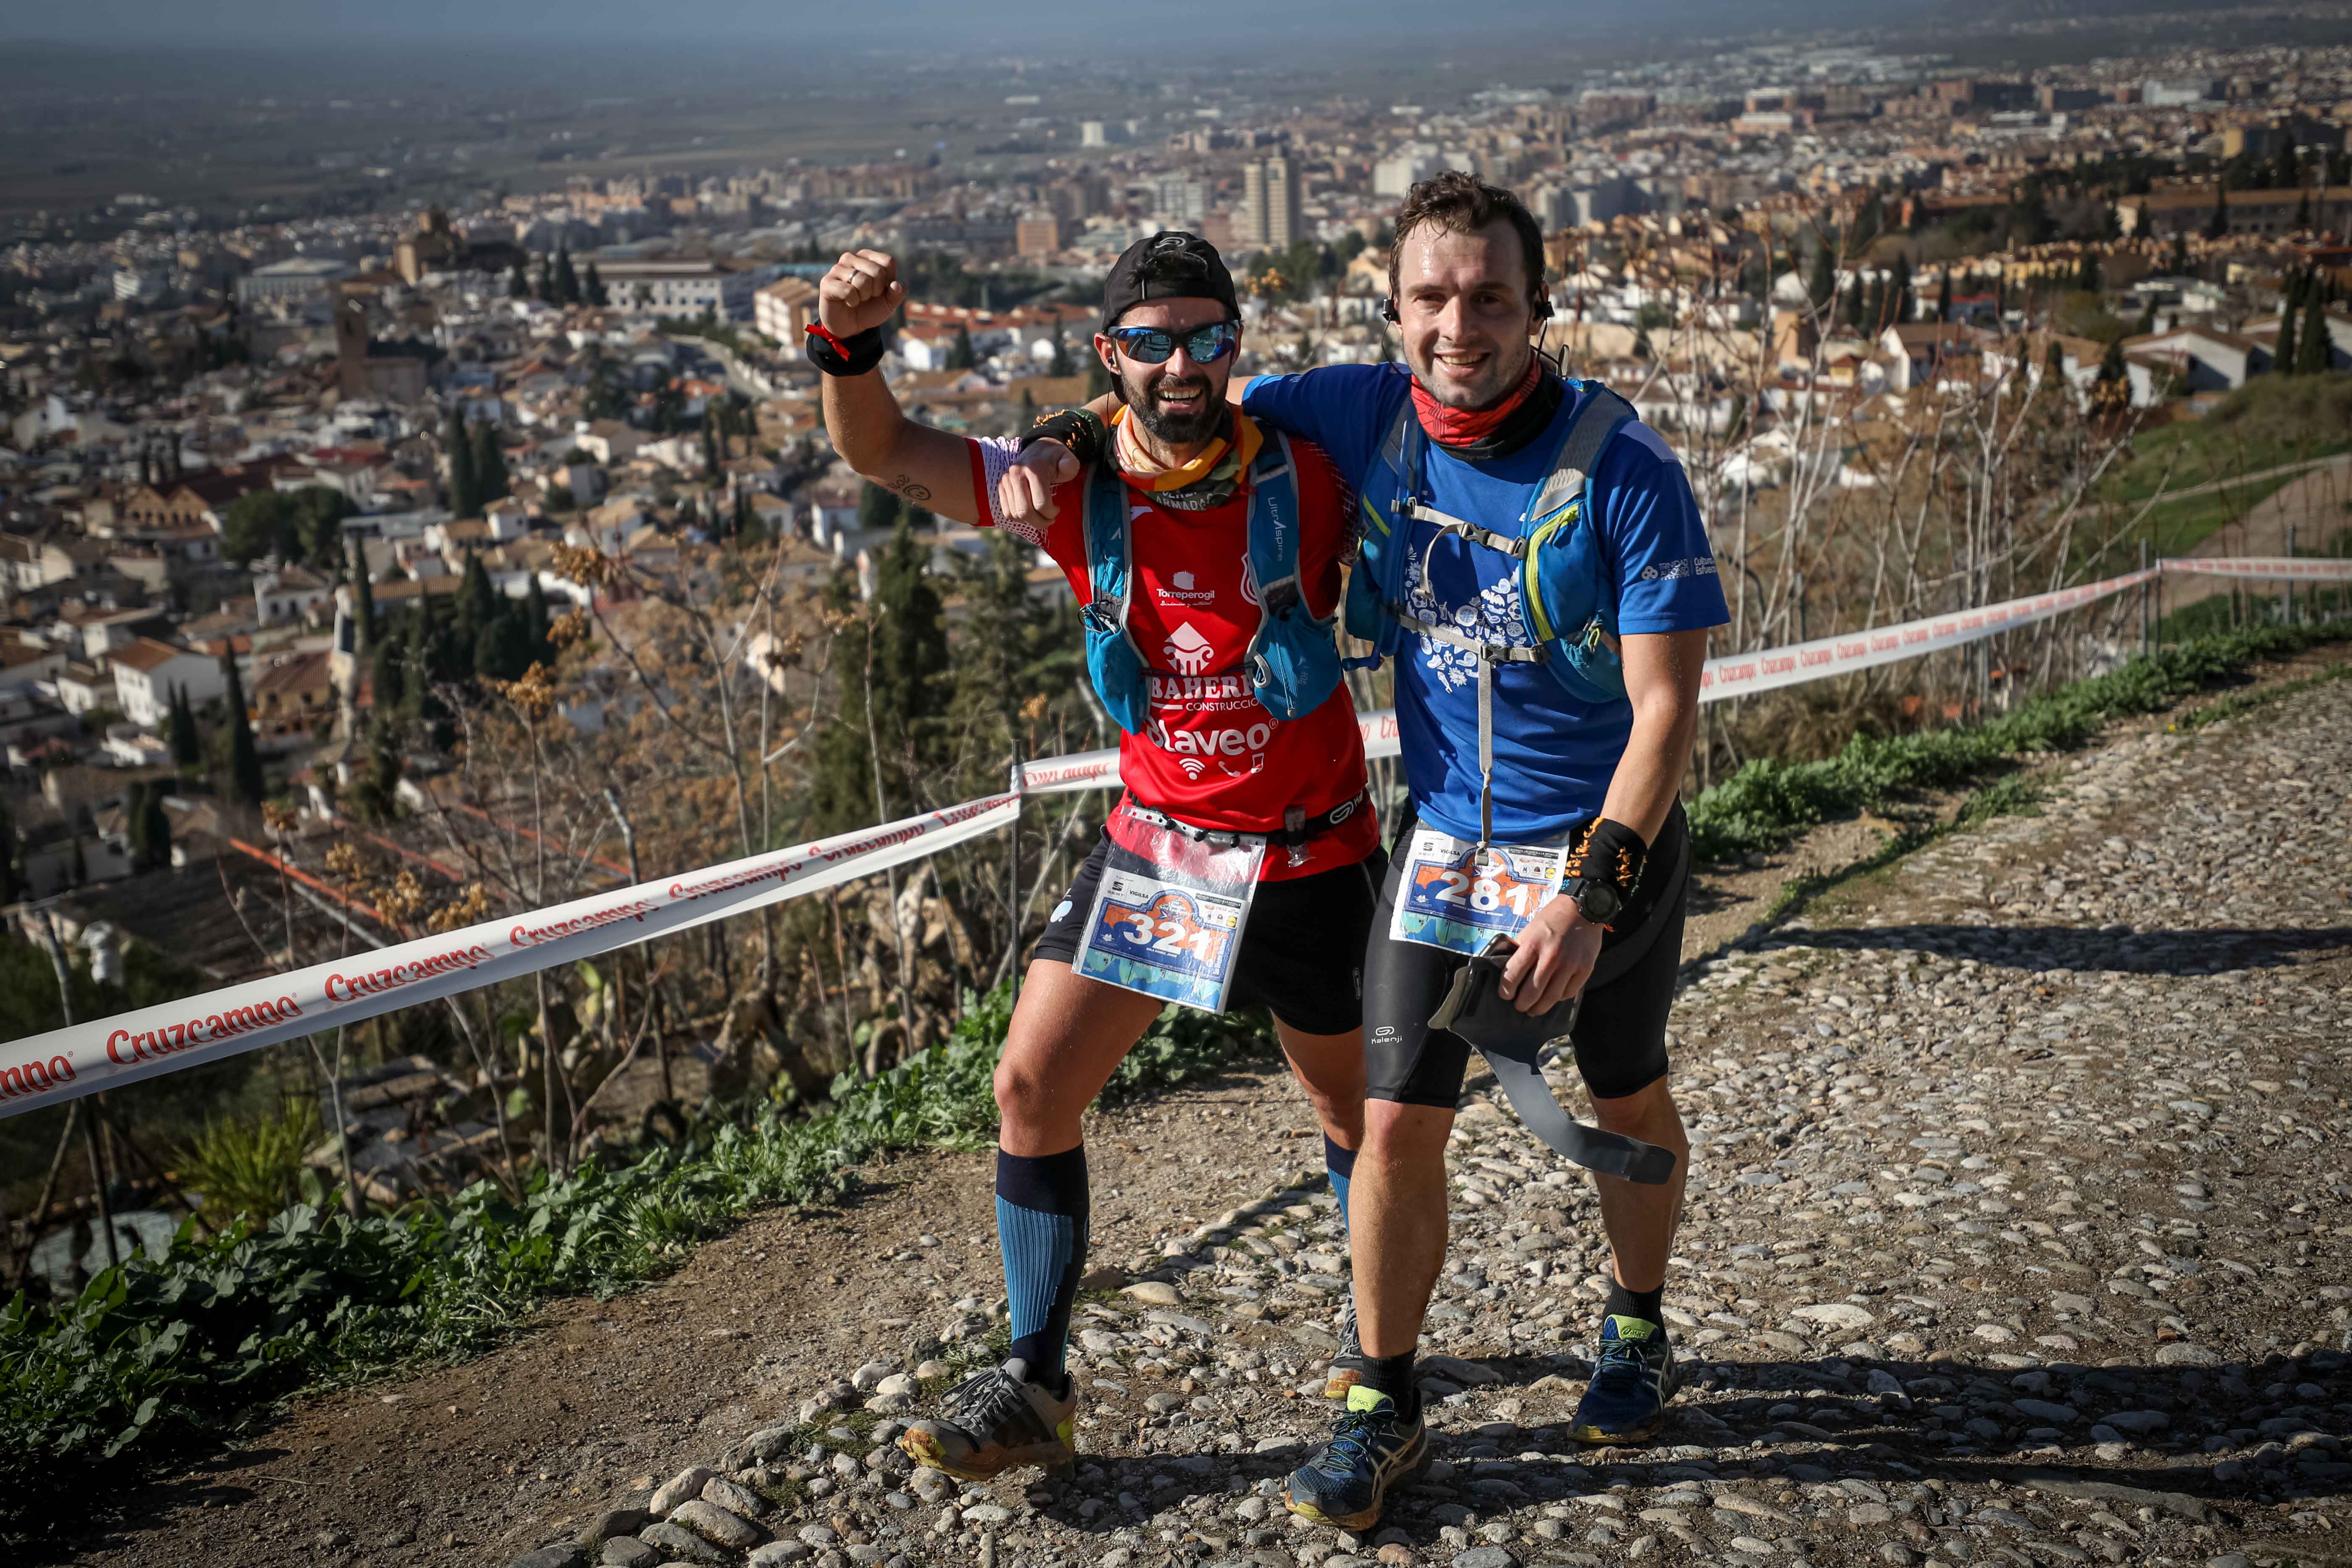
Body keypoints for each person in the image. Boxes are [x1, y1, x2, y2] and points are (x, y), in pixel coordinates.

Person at [1000, 173, 1728, 1529]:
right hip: (1445, 844)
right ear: (1391, 311)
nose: (1462, 325)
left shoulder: (1627, 470)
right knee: (1393, 1123)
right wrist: (1056, 431)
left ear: (1537, 306)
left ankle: (1635, 1323)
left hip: (1598, 845)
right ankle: (1379, 1399)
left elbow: (1667, 711)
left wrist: (1589, 896)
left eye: (1490, 297)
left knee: (1621, 1098)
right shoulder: (1351, 410)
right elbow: (1170, 395)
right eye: (1432, 298)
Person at [813, 232, 1384, 1483]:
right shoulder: (1064, 487)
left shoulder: (1312, 466)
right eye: (1150, 340)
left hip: (1312, 854)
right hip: (1168, 856)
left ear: (1238, 344)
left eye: (1207, 337)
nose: (1182, 364)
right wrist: (848, 348)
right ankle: (1032, 1382)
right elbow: (881, 451)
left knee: (1349, 1109)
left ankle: (1376, 1340)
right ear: (1106, 352)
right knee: (1030, 1087)